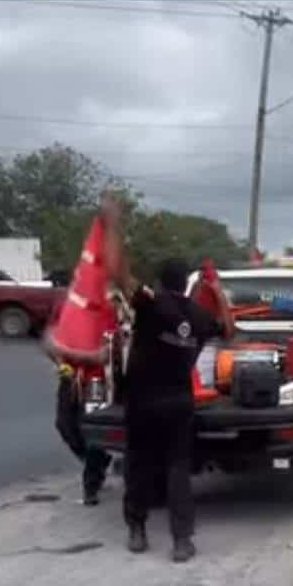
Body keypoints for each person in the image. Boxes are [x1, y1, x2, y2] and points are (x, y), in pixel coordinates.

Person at [101, 196, 232, 563]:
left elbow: (117, 273)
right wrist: (218, 293)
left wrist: (112, 223)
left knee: (139, 465)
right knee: (178, 470)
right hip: (178, 402)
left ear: (160, 282)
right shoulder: (199, 316)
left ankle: (138, 531)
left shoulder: (150, 304)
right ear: (186, 285)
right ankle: (181, 541)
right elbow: (229, 330)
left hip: (142, 401)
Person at [53, 359, 112, 506]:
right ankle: (99, 462)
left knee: (93, 430)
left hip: (96, 381)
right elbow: (55, 346)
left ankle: (91, 487)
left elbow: (106, 352)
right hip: (70, 377)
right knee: (64, 425)